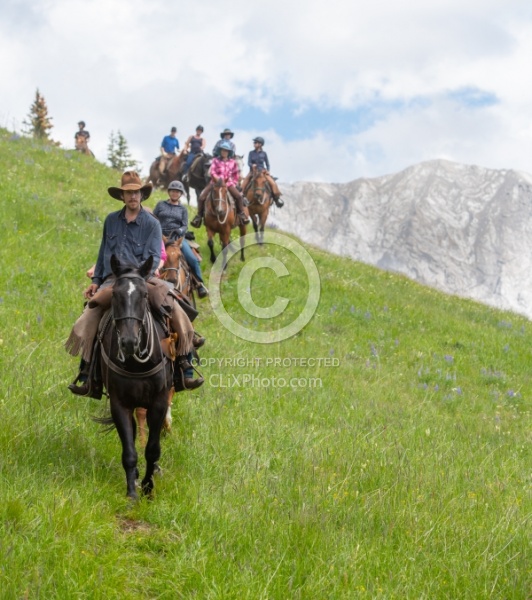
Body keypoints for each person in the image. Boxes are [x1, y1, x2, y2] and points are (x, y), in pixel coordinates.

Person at [65, 171, 204, 398]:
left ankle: (185, 366)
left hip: (143, 278)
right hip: (113, 279)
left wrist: (135, 277)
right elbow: (103, 254)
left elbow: (151, 257)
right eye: (128, 193)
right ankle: (87, 372)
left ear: (142, 194)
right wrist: (96, 281)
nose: (133, 196)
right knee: (90, 312)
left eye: (136, 192)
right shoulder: (111, 220)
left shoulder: (151, 223)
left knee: (173, 305)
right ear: (122, 196)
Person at [154, 180, 209, 298]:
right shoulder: (160, 205)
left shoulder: (183, 209)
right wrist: (157, 231)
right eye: (173, 191)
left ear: (181, 194)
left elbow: (184, 225)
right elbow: (153, 219)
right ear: (169, 192)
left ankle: (199, 284)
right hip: (160, 237)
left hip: (176, 239)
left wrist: (180, 231)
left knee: (192, 259)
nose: (175, 194)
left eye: (177, 192)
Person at [191, 141, 250, 228]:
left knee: (239, 197)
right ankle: (199, 217)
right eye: (222, 150)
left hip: (228, 184)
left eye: (226, 151)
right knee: (201, 197)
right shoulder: (215, 161)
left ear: (229, 152)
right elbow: (212, 172)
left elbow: (235, 175)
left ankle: (241, 214)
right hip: (215, 183)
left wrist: (232, 182)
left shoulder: (233, 162)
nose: (224, 152)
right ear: (220, 151)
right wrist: (217, 179)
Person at [241, 136, 284, 207]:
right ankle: (241, 197)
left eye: (256, 143)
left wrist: (268, 171)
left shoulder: (264, 153)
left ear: (260, 144)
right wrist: (252, 165)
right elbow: (248, 162)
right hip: (253, 171)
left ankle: (277, 199)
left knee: (272, 183)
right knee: (245, 182)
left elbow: (267, 164)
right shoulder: (251, 153)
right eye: (254, 142)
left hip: (262, 171)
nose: (254, 144)